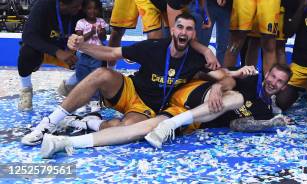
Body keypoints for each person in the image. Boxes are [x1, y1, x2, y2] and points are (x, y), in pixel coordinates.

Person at [21, 13, 210, 146]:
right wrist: (82, 46)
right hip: (131, 91)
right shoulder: (153, 47)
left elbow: (222, 75)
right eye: (180, 27)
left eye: (189, 29)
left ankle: (88, 123)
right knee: (102, 74)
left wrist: (224, 71)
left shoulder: (198, 58)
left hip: (149, 110)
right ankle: (48, 123)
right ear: (173, 31)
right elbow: (111, 52)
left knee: (126, 129)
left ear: (194, 34)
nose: (183, 32)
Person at [40, 66, 241, 158]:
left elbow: (231, 84)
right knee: (135, 127)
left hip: (180, 114)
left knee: (135, 129)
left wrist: (224, 83)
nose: (272, 82)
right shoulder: (198, 66)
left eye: (274, 82)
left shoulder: (252, 101)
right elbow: (226, 76)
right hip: (168, 105)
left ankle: (71, 138)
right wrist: (222, 82)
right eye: (273, 77)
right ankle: (79, 123)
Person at [144, 63, 293, 149]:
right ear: (266, 74)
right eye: (273, 76)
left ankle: (167, 124)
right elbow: (211, 72)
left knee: (141, 129)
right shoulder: (250, 76)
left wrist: (271, 123)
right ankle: (170, 123)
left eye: (280, 81)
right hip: (193, 94)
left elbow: (236, 124)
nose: (273, 82)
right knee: (237, 98)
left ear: (284, 88)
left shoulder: (265, 112)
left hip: (194, 119)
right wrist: (225, 80)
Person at [17, 0, 83, 111]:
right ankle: (26, 90)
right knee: (27, 52)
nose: (80, 8)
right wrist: (57, 51)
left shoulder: (80, 10)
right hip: (45, 51)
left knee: (94, 59)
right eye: (75, 6)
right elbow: (28, 35)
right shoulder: (43, 7)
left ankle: (68, 86)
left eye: (80, 4)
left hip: (69, 53)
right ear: (62, 4)